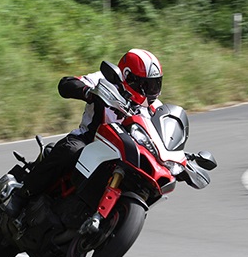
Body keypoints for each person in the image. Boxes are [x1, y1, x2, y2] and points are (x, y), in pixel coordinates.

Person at [21, 49, 164, 204]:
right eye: (147, 85)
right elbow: (66, 83)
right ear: (129, 76)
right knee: (70, 151)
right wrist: (88, 92)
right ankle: (22, 195)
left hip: (124, 153)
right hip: (89, 140)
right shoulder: (105, 80)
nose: (152, 90)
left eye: (156, 84)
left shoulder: (154, 107)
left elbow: (163, 132)